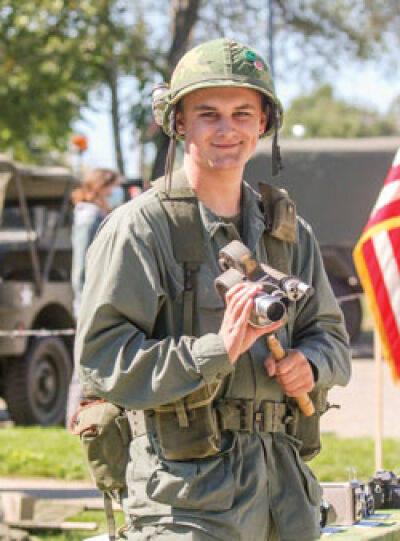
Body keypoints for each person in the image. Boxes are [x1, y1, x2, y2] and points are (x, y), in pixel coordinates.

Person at [75, 38, 351, 541]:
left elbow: (332, 338)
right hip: (185, 503)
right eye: (208, 114)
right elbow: (102, 360)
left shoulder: (286, 232)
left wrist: (308, 364)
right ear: (179, 123)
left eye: (243, 113)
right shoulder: (140, 229)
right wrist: (217, 350)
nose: (228, 129)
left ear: (264, 122)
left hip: (284, 500)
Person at [66, 168, 123, 426]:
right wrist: (84, 304)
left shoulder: (100, 214)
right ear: (101, 187)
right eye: (112, 187)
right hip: (89, 303)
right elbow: (80, 268)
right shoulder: (88, 217)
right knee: (83, 368)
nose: (115, 193)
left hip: (100, 300)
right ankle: (74, 420)